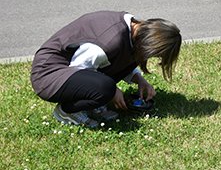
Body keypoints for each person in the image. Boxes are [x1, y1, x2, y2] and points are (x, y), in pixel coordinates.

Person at [30, 11, 182, 128]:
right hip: (47, 75)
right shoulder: (108, 41)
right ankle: (67, 111)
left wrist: (139, 80)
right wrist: (112, 92)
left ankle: (94, 104)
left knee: (107, 85)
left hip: (69, 70)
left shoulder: (133, 30)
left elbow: (118, 58)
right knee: (106, 88)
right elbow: (79, 68)